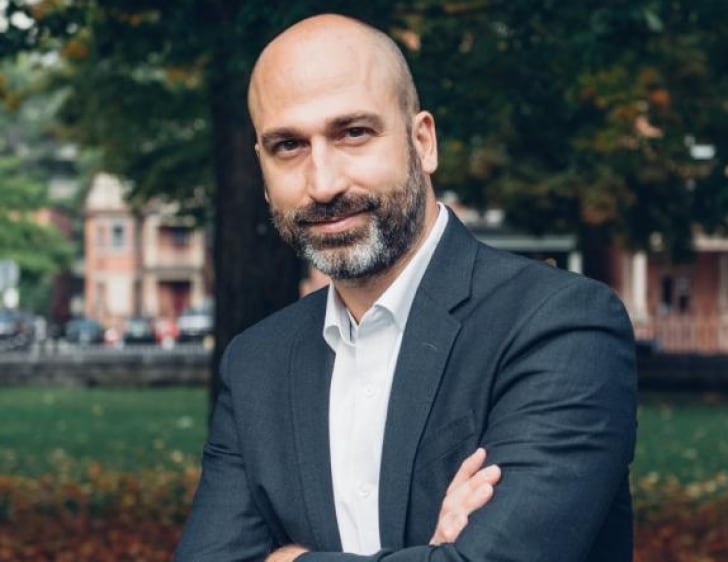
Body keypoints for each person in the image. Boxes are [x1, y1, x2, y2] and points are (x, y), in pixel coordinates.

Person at [175, 13, 637, 562]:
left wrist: (286, 560)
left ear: (423, 142)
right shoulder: (256, 363)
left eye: (353, 133)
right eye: (288, 146)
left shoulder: (559, 325)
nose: (323, 184)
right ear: (261, 166)